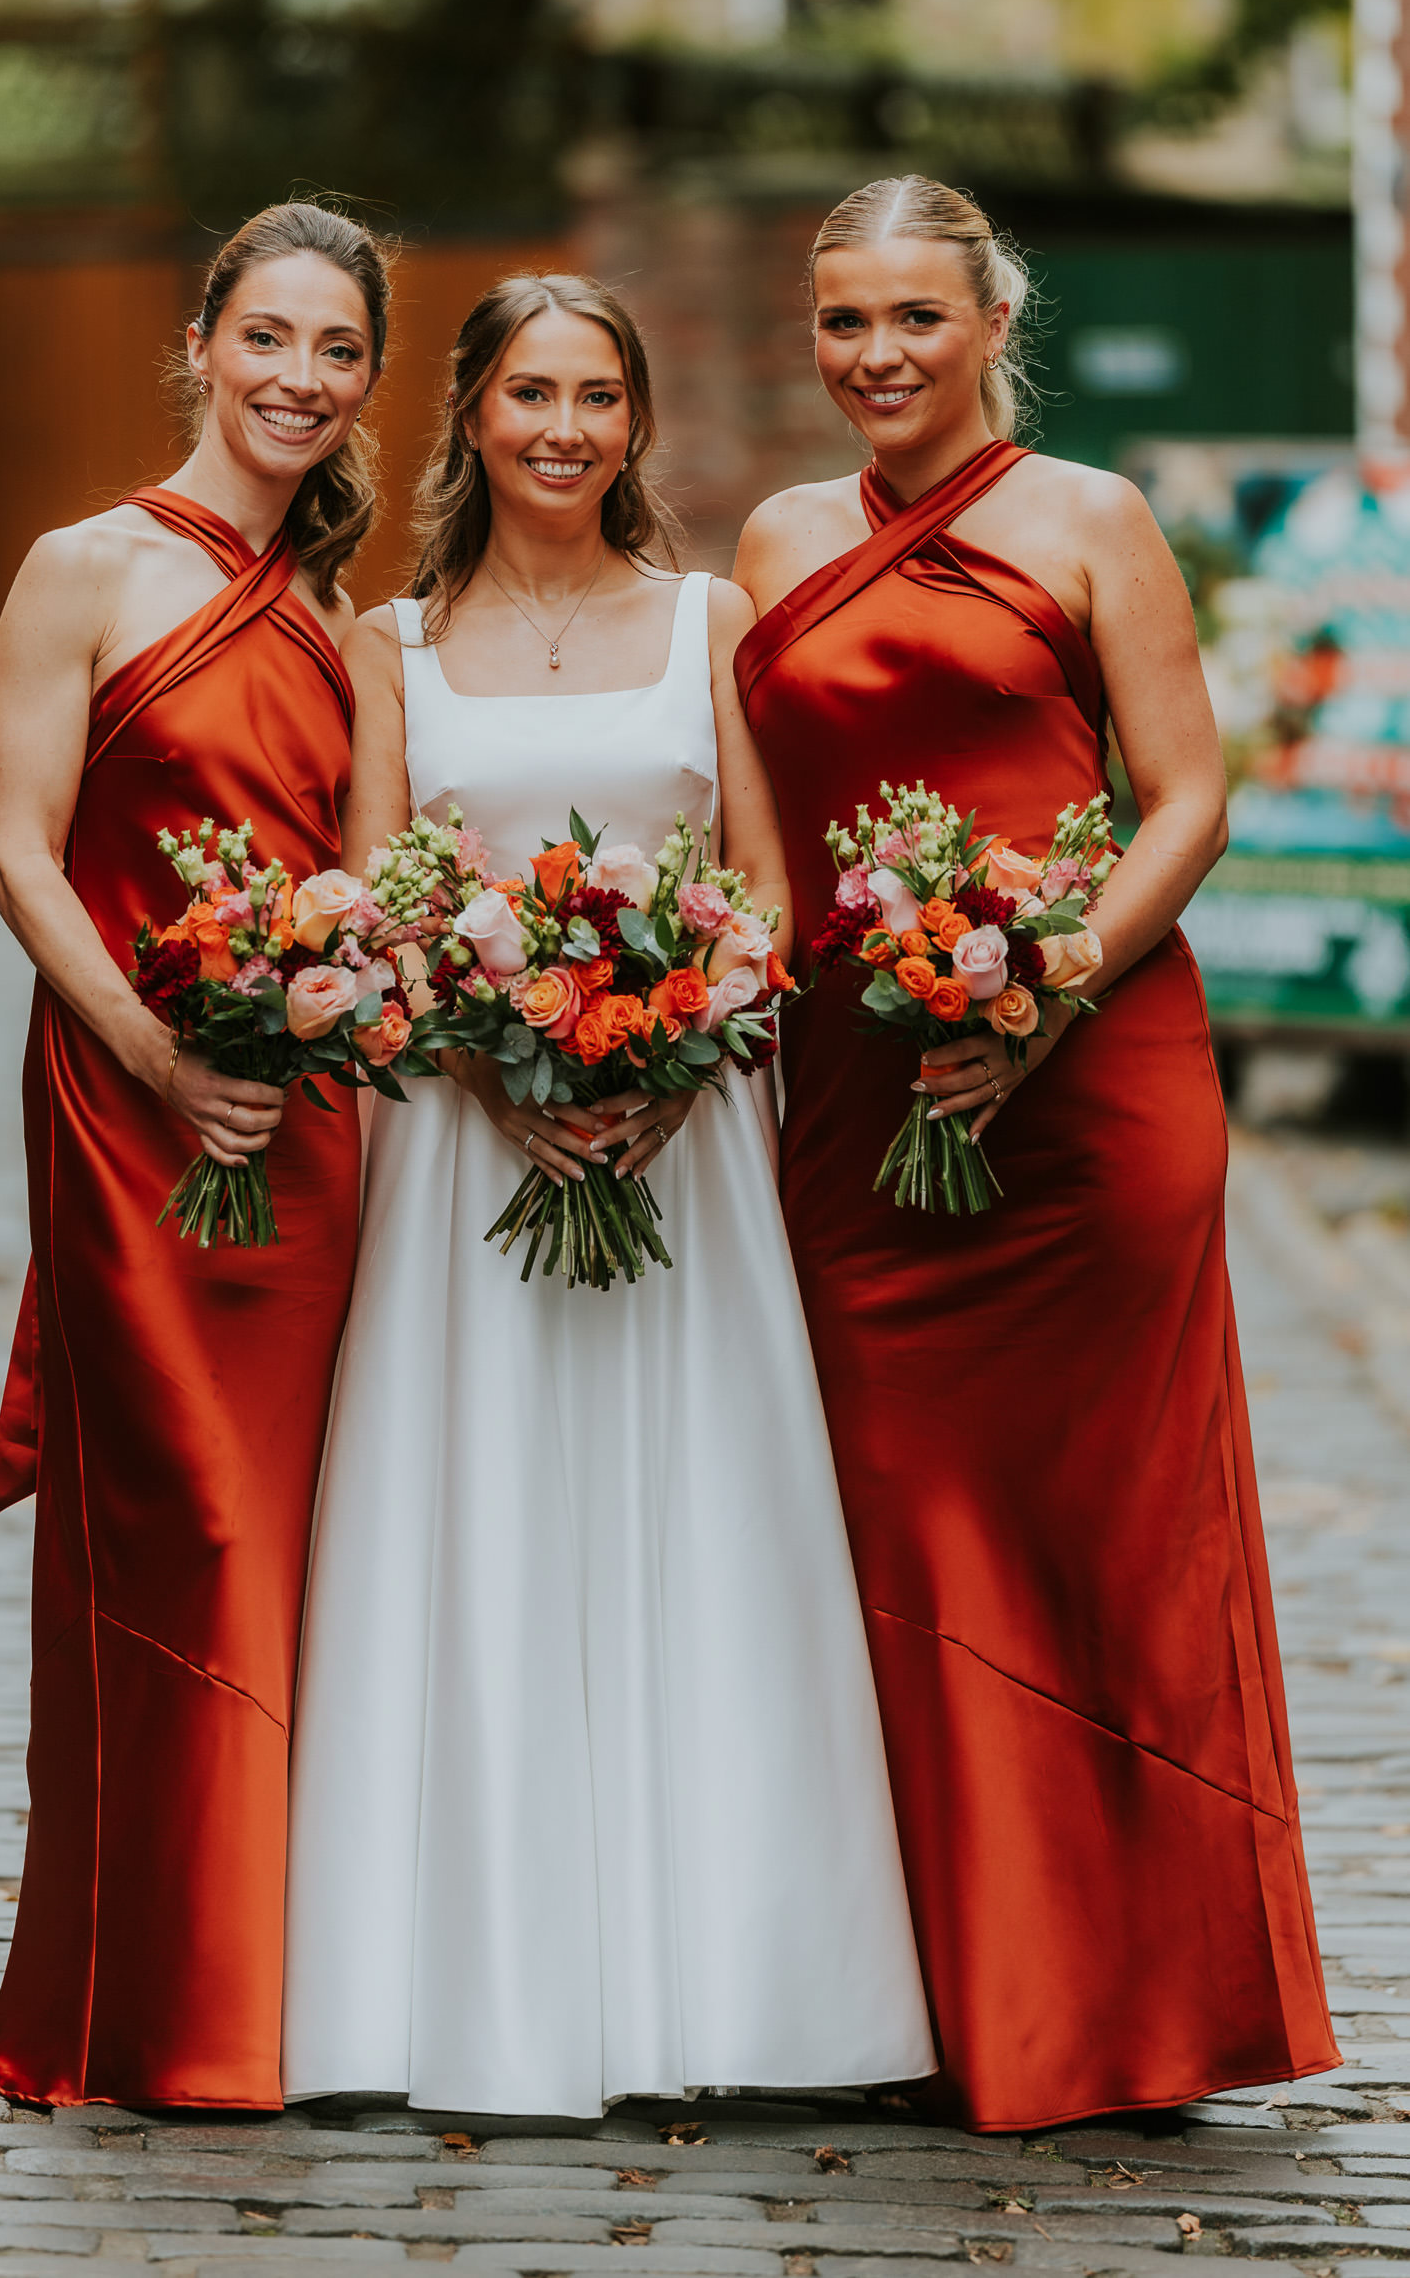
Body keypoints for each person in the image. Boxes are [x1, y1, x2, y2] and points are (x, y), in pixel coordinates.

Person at [279, 271, 936, 2119]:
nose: (563, 429)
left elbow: (771, 886)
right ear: (473, 416)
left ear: (635, 423)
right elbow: (383, 893)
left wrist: (681, 1047)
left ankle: (738, 1984)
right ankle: (459, 1990)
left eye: (597, 397)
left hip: (685, 1137)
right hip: (465, 1140)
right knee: (474, 1505)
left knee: (705, 1513)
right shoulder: (391, 643)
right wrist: (499, 1065)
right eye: (530, 394)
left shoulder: (710, 618)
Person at [732, 174, 1338, 2132]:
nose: (878, 354)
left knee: (1106, 1534)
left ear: (995, 320)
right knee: (896, 1523)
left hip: (1088, 1090)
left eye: (917, 315)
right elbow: (765, 833)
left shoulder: (1092, 518)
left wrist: (1046, 990)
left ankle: (1142, 2015)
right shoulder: (777, 537)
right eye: (844, 320)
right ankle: (947, 1999)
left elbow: (1189, 799)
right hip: (859, 1096)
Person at [0, 201, 388, 2110]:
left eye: (337, 351)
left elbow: (374, 888)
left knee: (290, 1536)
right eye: (268, 338)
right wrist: (154, 1056)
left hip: (304, 1129)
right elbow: (20, 850)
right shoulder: (84, 566)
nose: (298, 378)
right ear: (203, 343)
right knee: (180, 1529)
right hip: (123, 1105)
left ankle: (274, 1989)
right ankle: (152, 2006)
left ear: (366, 382)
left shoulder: (343, 625)